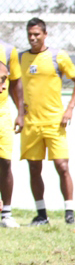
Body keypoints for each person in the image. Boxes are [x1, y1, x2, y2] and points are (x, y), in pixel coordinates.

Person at [19, 18, 75, 226]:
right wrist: (20, 110)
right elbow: (13, 84)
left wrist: (70, 108)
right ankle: (41, 214)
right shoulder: (21, 58)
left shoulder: (57, 56)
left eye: (36, 34)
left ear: (45, 34)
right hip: (31, 123)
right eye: (30, 34)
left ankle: (69, 212)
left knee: (62, 166)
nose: (32, 38)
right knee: (33, 168)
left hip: (55, 122)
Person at [0, 42, 23, 228]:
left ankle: (6, 214)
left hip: (3, 115)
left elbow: (15, 82)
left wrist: (21, 113)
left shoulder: (8, 50)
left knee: (6, 162)